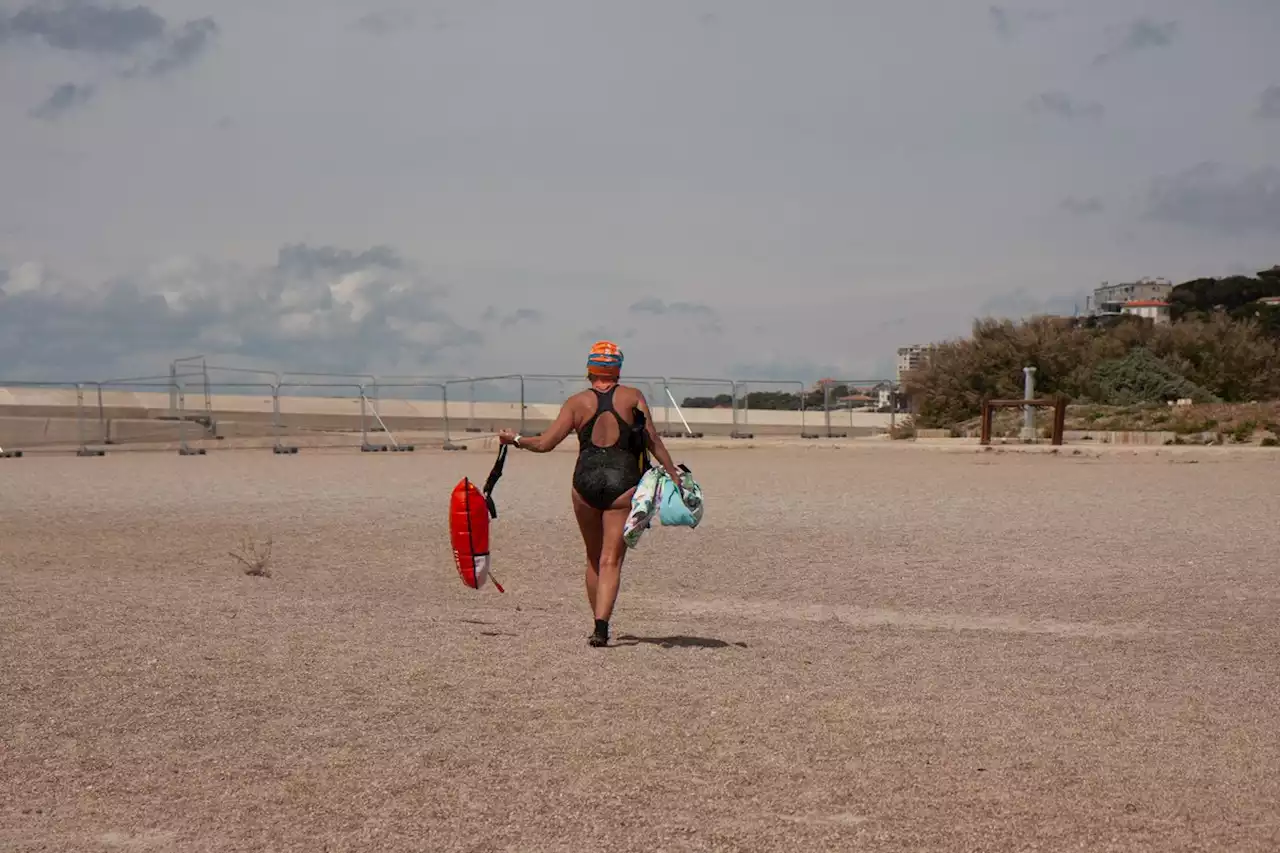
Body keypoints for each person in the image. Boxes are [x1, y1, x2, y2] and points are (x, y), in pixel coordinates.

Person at [496, 341, 685, 647]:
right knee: (611, 560)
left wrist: (515, 439)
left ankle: (597, 623)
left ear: (589, 370)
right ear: (618, 369)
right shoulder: (632, 397)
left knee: (593, 557)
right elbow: (652, 440)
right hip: (622, 485)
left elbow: (545, 443)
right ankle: (601, 626)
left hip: (583, 484)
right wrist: (673, 474)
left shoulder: (576, 402)